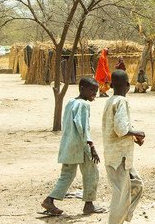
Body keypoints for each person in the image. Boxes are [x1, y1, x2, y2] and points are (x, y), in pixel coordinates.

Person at [41, 77, 106, 216]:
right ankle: (89, 205)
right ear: (82, 88)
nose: (94, 94)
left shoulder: (71, 102)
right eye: (92, 91)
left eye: (96, 91)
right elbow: (83, 128)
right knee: (91, 173)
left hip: (68, 145)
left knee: (67, 175)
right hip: (82, 145)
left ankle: (49, 200)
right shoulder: (84, 105)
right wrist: (92, 147)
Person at [102, 70, 146, 224]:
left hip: (118, 155)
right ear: (128, 85)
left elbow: (117, 128)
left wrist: (133, 138)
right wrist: (136, 131)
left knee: (137, 185)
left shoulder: (110, 101)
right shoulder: (122, 102)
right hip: (119, 158)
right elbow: (121, 129)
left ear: (111, 85)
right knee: (120, 194)